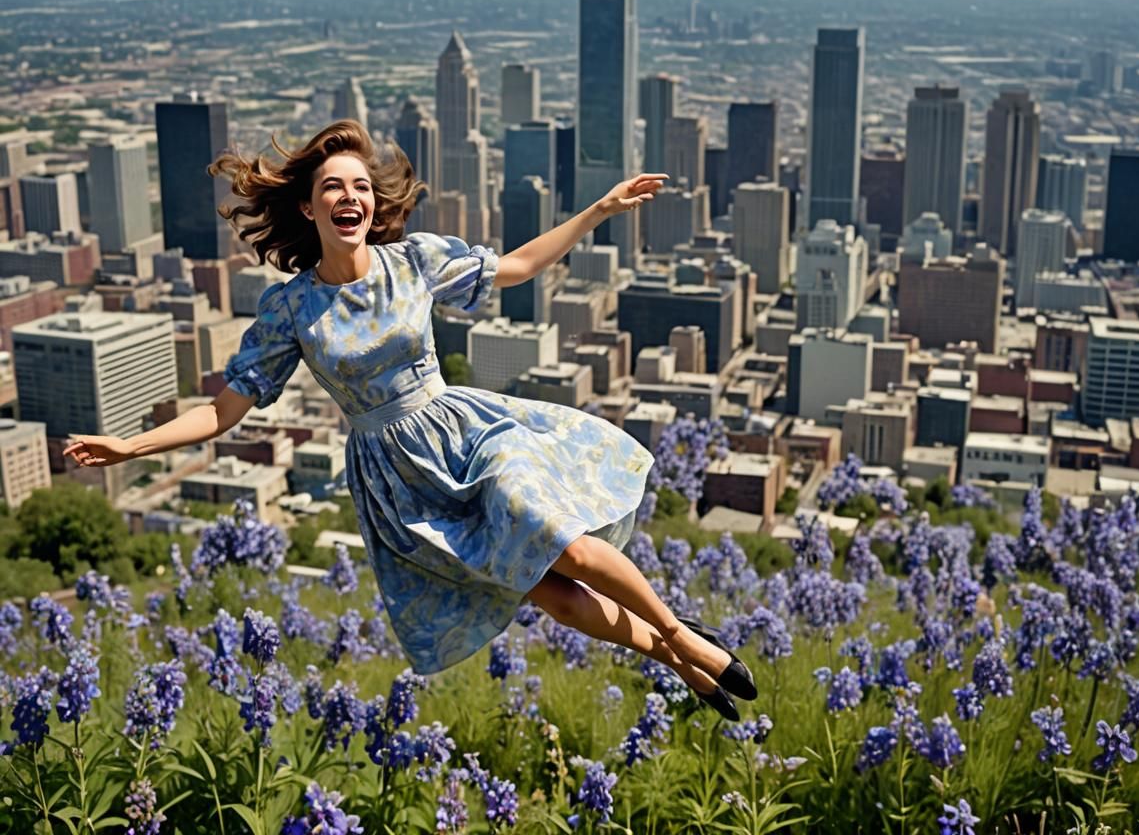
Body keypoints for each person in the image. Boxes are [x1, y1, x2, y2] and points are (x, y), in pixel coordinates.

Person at [63, 120, 756, 719]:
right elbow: (223, 409)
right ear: (307, 208)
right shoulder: (291, 310)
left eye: (360, 187)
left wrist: (598, 210)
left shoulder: (414, 262)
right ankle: (675, 657)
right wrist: (131, 445)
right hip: (402, 486)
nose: (351, 197)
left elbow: (512, 269)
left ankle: (681, 635)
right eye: (333, 187)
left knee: (562, 543)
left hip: (464, 432)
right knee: (546, 592)